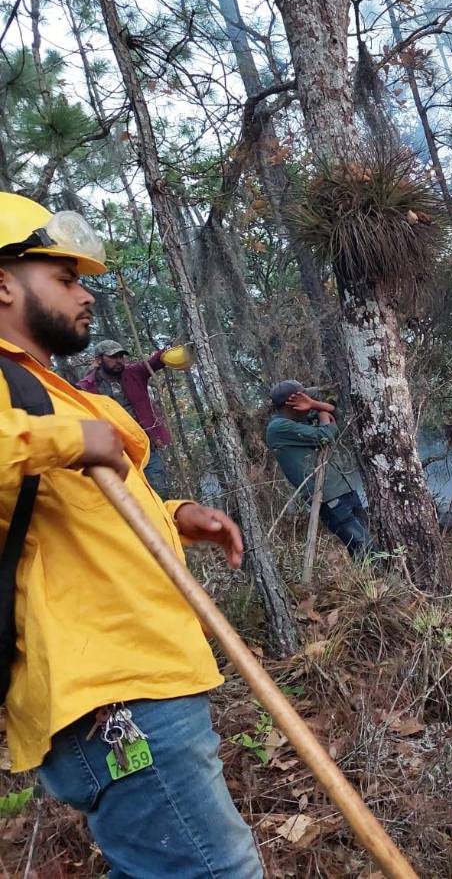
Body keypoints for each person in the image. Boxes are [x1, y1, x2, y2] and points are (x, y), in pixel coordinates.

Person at [0, 191, 262, 876]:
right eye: (65, 277)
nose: (86, 294)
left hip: (138, 672)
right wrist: (66, 437)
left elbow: (68, 513)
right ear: (3, 283)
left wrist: (174, 515)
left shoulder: (51, 391)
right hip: (109, 689)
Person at [265, 379, 371, 559]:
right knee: (364, 547)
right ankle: (378, 577)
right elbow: (325, 436)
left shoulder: (300, 420)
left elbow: (336, 414)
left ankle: (372, 576)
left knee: (364, 545)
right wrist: (323, 417)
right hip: (328, 497)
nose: (309, 402)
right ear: (292, 403)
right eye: (305, 398)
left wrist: (315, 405)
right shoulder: (278, 428)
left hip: (344, 489)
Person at [77, 338, 186, 498]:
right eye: (113, 357)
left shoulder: (134, 373)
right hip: (116, 452)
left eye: (121, 356)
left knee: (159, 491)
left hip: (145, 445)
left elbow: (154, 362)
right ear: (99, 360)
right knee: (131, 496)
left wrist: (170, 347)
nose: (119, 361)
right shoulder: (86, 388)